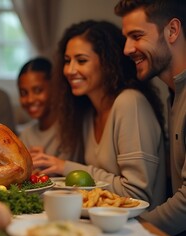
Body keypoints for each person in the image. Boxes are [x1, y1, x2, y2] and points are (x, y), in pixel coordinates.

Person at [35, 20, 167, 211]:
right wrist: (47, 163)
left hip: (139, 227)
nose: (70, 70)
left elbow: (136, 194)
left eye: (81, 60)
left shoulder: (130, 102)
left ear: (107, 63)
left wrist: (65, 166)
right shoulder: (88, 112)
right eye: (67, 61)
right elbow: (81, 177)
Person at [115, 0, 186, 236]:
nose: (126, 49)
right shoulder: (174, 93)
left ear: (172, 30)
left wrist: (127, 231)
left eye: (136, 36)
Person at [17, 57, 77, 175]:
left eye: (38, 90)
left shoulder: (70, 128)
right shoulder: (26, 135)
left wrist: (45, 162)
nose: (30, 99)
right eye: (24, 93)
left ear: (55, 88)